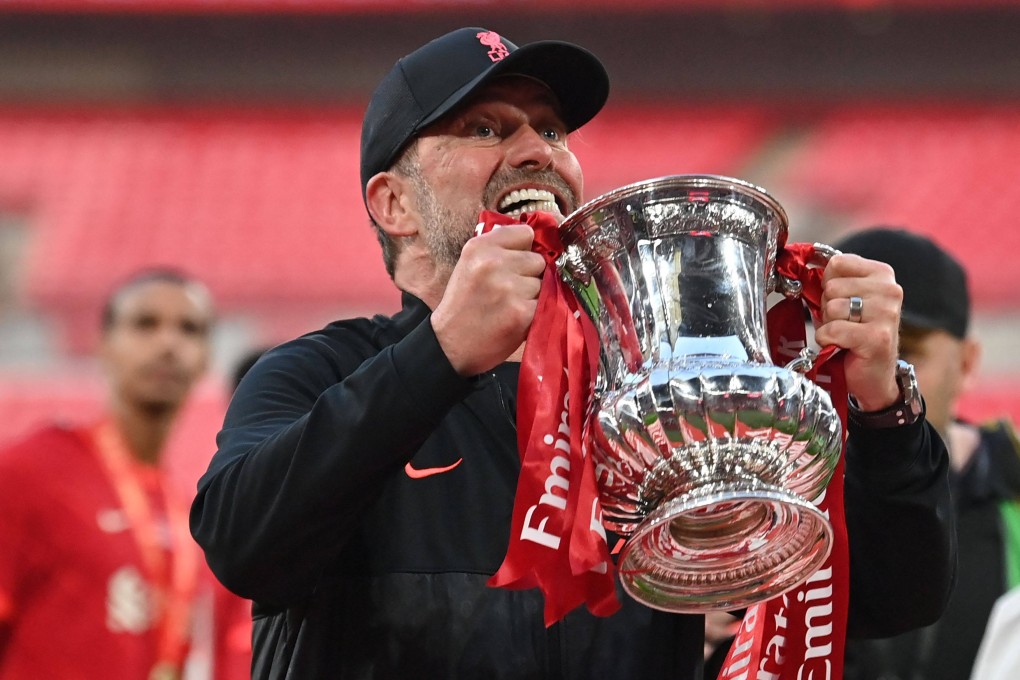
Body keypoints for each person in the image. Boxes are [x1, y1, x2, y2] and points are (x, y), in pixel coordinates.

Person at [190, 28, 956, 679]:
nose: (536, 151)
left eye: (551, 130)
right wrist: (441, 353)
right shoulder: (314, 373)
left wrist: (883, 411)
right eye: (486, 129)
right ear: (394, 204)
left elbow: (891, 599)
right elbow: (246, 547)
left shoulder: (654, 392)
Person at [0, 269, 215, 679]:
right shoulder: (28, 473)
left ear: (205, 358)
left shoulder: (181, 508)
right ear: (103, 345)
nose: (168, 343)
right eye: (145, 324)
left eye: (190, 329)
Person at [837, 227, 1020, 680]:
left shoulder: (1012, 493)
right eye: (841, 352)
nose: (871, 371)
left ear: (968, 363)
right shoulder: (788, 507)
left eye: (904, 351)